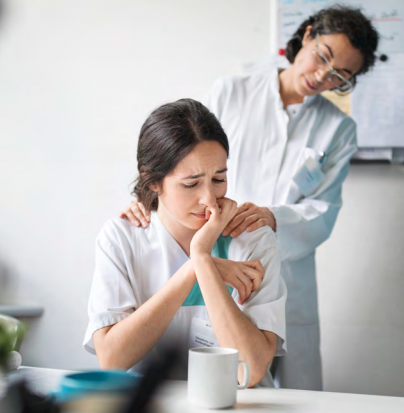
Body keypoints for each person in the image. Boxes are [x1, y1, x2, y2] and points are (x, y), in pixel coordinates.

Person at [118, 6, 379, 390]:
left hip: (284, 263)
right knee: (210, 365)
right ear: (307, 36)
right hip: (215, 248)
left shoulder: (339, 129)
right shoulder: (233, 92)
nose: (324, 76)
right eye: (323, 56)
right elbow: (182, 158)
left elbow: (324, 212)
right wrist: (145, 200)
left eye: (342, 75)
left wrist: (273, 218)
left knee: (289, 388)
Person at [83, 99, 287, 387]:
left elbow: (249, 371)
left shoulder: (253, 238)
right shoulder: (121, 239)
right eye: (191, 184)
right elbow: (112, 359)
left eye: (218, 179)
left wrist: (202, 258)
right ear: (152, 180)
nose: (209, 199)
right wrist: (196, 266)